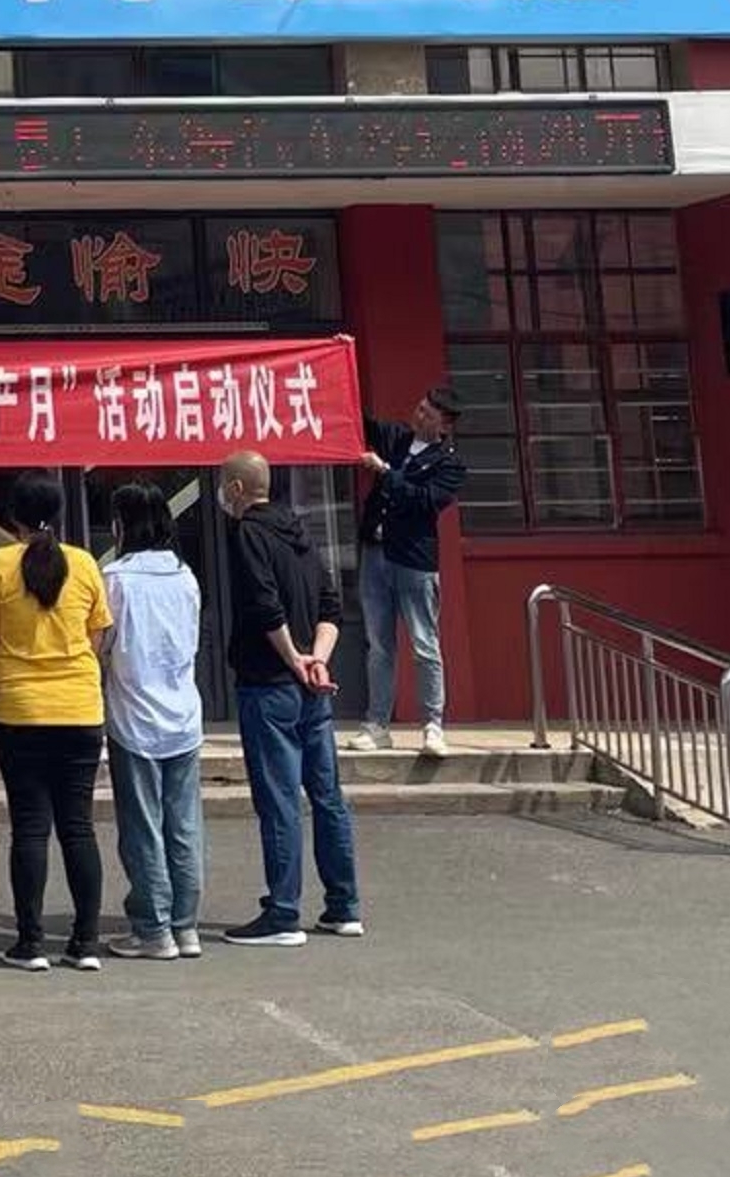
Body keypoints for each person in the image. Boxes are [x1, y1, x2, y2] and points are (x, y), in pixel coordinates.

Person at [0, 471, 113, 971]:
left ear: (14, 516)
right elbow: (96, 637)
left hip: (19, 709)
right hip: (80, 707)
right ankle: (86, 942)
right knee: (78, 827)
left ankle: (30, 943)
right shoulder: (84, 563)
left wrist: (6, 682)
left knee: (29, 828)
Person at [215, 449, 361, 948]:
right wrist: (317, 659)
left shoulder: (247, 534)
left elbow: (264, 606)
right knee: (327, 796)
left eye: (224, 484)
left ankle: (282, 913)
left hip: (269, 682)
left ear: (236, 488)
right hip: (312, 687)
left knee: (279, 800)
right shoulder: (300, 533)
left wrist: (293, 658)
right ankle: (343, 905)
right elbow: (330, 606)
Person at [101, 481, 207, 961]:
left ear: (120, 525)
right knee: (184, 826)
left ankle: (152, 927)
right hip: (183, 713)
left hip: (134, 716)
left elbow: (102, 644)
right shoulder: (185, 576)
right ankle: (186, 925)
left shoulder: (116, 579)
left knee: (143, 827)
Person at [358, 382, 469, 757]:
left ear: (444, 425)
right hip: (376, 553)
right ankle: (377, 724)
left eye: (427, 413)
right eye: (420, 407)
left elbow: (424, 501)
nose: (418, 415)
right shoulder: (397, 438)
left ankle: (433, 725)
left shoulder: (449, 464)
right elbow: (362, 421)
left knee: (424, 644)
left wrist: (386, 472)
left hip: (414, 562)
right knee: (379, 645)